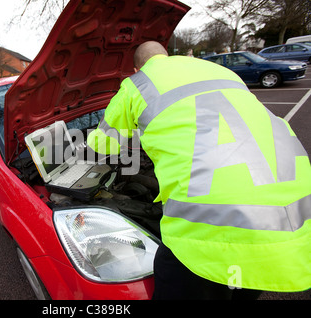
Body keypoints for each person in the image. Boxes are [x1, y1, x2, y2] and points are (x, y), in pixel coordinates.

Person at [87, 41, 311, 299]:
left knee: (175, 269)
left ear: (137, 68)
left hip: (214, 217)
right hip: (292, 204)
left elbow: (102, 144)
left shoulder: (139, 84)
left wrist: (84, 145)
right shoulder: (219, 70)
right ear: (167, 55)